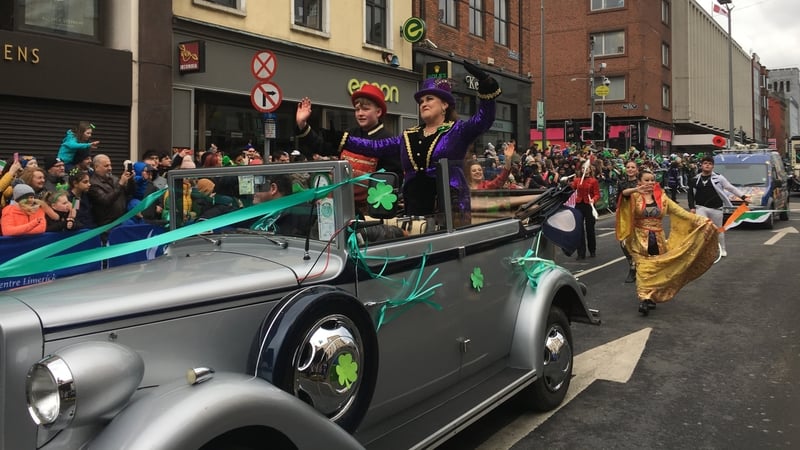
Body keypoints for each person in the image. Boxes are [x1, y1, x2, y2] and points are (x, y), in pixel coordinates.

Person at [337, 61, 501, 220]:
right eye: (421, 101)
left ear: (444, 104)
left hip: (450, 212)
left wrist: (486, 85)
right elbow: (374, 147)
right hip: (415, 213)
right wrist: (334, 138)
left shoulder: (457, 130)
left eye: (429, 99)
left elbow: (484, 119)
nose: (423, 104)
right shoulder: (409, 135)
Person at [616, 169, 719, 315]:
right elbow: (623, 195)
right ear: (639, 182)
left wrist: (702, 221)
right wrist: (636, 190)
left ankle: (652, 295)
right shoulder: (634, 197)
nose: (650, 182)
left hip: (657, 238)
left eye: (652, 179)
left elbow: (679, 212)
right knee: (644, 267)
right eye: (646, 180)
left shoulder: (662, 198)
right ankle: (644, 298)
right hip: (639, 238)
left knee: (657, 267)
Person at [687, 155, 748, 257]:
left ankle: (722, 249)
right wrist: (692, 207)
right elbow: (690, 194)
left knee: (718, 229)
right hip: (701, 207)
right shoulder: (695, 179)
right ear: (701, 165)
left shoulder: (719, 178)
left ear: (713, 166)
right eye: (705, 163)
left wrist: (743, 196)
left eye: (710, 164)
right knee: (703, 229)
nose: (707, 165)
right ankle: (703, 250)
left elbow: (730, 188)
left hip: (716, 208)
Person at [88, 154, 134, 227]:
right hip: (106, 224)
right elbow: (106, 200)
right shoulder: (93, 183)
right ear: (96, 167)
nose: (110, 168)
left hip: (121, 220)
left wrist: (131, 180)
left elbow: (129, 192)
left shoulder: (114, 178)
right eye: (106, 166)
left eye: (110, 165)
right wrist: (121, 184)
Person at [616, 160, 640, 282]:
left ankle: (639, 267)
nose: (630, 169)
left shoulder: (641, 182)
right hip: (625, 216)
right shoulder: (622, 183)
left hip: (639, 216)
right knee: (624, 242)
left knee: (639, 242)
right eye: (628, 167)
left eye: (632, 167)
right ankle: (631, 265)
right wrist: (637, 189)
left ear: (637, 170)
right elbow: (624, 193)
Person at [571, 163, 600, 259]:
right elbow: (572, 189)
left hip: (589, 205)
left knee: (590, 229)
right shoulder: (577, 180)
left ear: (590, 170)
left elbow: (597, 194)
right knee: (579, 230)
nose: (585, 169)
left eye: (587, 168)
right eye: (583, 168)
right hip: (579, 205)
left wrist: (593, 200)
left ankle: (592, 250)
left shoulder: (594, 181)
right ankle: (581, 253)